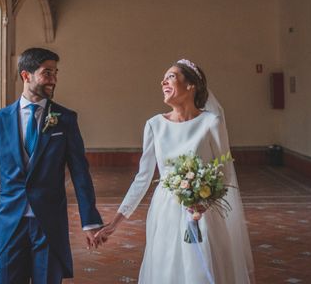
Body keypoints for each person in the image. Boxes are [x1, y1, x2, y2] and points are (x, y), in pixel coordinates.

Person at [95, 59, 255, 283]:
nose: (163, 81)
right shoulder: (154, 125)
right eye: (164, 78)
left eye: (171, 76)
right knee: (167, 267)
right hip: (166, 210)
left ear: (191, 85)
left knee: (202, 268)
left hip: (203, 212)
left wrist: (204, 205)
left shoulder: (211, 123)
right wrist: (114, 223)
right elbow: (143, 178)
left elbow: (225, 172)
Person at [0, 47, 103, 283]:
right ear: (27, 75)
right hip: (11, 223)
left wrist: (90, 220)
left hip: (49, 223)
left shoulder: (65, 119)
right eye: (47, 73)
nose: (53, 79)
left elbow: (80, 173)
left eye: (55, 73)